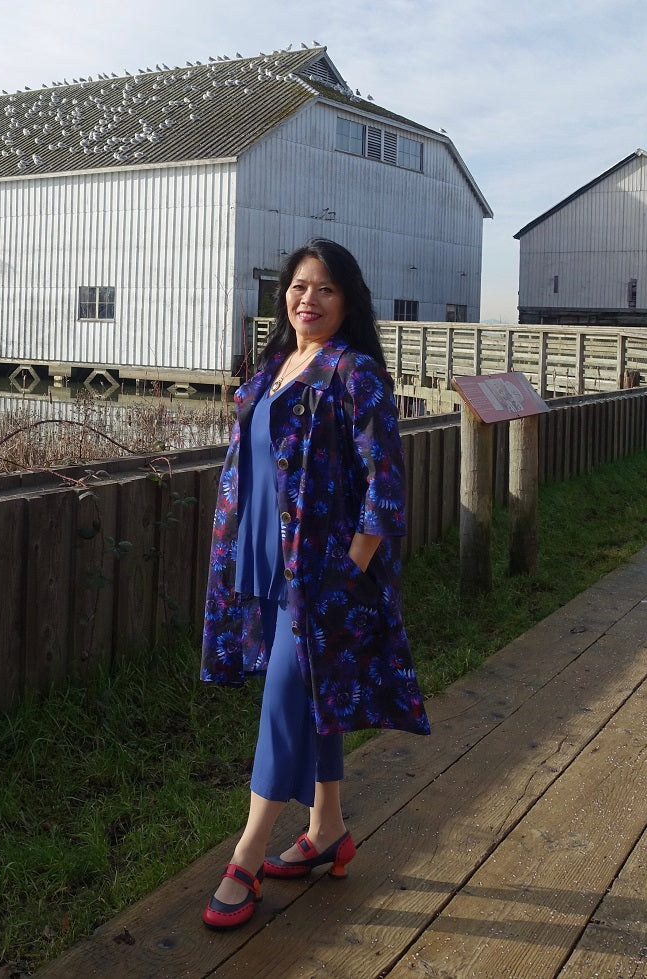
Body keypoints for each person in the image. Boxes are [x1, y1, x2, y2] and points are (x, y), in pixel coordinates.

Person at [200, 238, 430, 930]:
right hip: (261, 565)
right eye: (299, 287)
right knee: (313, 696)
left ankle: (245, 852)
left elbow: (385, 486)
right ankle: (327, 827)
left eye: (325, 289)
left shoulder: (353, 372)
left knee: (283, 701)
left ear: (349, 300)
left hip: (320, 576)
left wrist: (349, 570)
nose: (309, 299)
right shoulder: (274, 366)